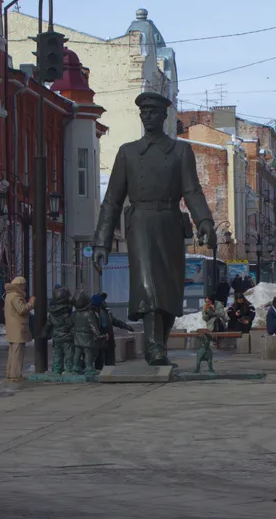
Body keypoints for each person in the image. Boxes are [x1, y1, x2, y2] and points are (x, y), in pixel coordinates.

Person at [93, 91, 215, 366]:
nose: (147, 116)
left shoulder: (180, 151)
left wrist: (205, 221)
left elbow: (192, 190)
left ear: (163, 116)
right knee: (147, 283)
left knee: (170, 288)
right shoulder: (128, 152)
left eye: (152, 112)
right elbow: (111, 200)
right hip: (141, 223)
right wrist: (101, 242)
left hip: (171, 221)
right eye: (143, 113)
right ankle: (153, 346)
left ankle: (159, 343)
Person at [3, 276, 33, 382]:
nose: (25, 287)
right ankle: (15, 375)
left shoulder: (9, 295)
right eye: (24, 285)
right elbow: (22, 309)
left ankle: (11, 373)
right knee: (17, 353)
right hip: (18, 328)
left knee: (13, 352)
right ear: (20, 286)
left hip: (12, 328)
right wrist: (31, 303)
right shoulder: (16, 296)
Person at [93, 292, 134, 368]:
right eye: (102, 300)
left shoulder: (106, 313)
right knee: (99, 360)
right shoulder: (93, 314)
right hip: (100, 340)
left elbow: (115, 321)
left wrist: (126, 326)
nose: (104, 302)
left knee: (110, 361)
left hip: (109, 340)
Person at [46, 287, 76, 375]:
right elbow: (71, 324)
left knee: (57, 355)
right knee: (69, 354)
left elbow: (48, 325)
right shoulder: (68, 312)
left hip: (56, 337)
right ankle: (69, 369)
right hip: (67, 337)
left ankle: (56, 370)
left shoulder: (52, 313)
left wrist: (44, 333)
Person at [71, 291, 102, 374]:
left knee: (77, 353)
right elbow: (93, 326)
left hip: (77, 335)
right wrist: (98, 335)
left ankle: (75, 367)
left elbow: (71, 324)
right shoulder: (89, 314)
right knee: (88, 352)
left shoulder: (74, 314)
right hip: (87, 336)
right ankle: (89, 368)